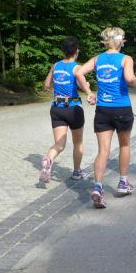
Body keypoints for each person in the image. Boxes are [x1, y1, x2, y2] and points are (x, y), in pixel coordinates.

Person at [75, 27, 136, 208]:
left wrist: (89, 92)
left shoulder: (98, 59)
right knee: (124, 145)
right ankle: (123, 182)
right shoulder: (126, 59)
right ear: (121, 42)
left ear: (105, 42)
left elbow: (78, 72)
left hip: (103, 110)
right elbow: (129, 79)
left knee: (103, 150)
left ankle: (97, 187)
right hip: (121, 108)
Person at [39, 36, 89, 184]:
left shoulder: (55, 65)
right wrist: (87, 88)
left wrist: (58, 87)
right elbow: (84, 87)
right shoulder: (77, 68)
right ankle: (77, 172)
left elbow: (46, 85)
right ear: (76, 51)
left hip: (56, 108)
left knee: (59, 145)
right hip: (73, 108)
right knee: (78, 142)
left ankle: (48, 159)